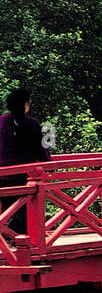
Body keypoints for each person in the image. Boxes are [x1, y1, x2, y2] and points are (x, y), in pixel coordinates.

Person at [0, 89, 52, 236]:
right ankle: (23, 239)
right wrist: (48, 164)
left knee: (7, 208)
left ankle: (7, 237)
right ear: (26, 105)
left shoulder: (1, 121)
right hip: (24, 177)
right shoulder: (32, 124)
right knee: (23, 208)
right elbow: (41, 149)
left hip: (3, 176)